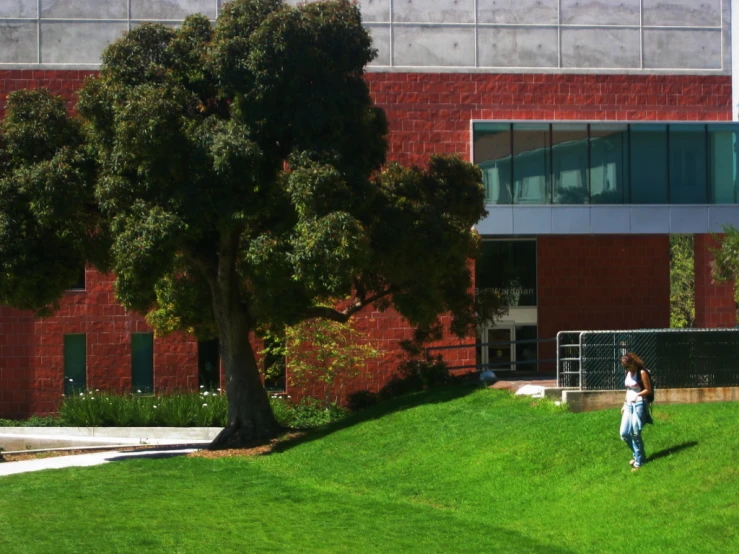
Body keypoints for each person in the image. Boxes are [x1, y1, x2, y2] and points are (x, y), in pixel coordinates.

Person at [619, 352, 653, 471]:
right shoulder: (628, 372)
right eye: (624, 367)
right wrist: (624, 404)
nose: (626, 369)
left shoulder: (642, 372)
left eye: (627, 366)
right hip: (628, 404)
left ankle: (639, 462)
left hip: (639, 404)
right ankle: (639, 455)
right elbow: (628, 389)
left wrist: (637, 395)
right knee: (624, 434)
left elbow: (648, 390)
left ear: (633, 362)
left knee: (635, 433)